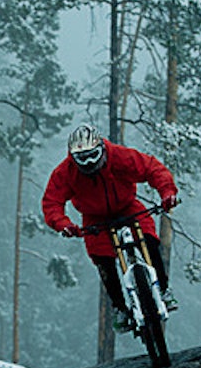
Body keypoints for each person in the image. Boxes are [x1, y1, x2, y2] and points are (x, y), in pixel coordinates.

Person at [42, 124, 179, 332]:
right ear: (72, 157)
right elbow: (52, 202)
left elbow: (152, 168)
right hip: (95, 218)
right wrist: (64, 224)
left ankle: (164, 290)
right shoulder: (65, 172)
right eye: (82, 158)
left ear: (102, 149)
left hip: (128, 207)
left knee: (149, 241)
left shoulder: (119, 156)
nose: (88, 163)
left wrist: (167, 192)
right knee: (103, 260)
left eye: (92, 155)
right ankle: (120, 309)